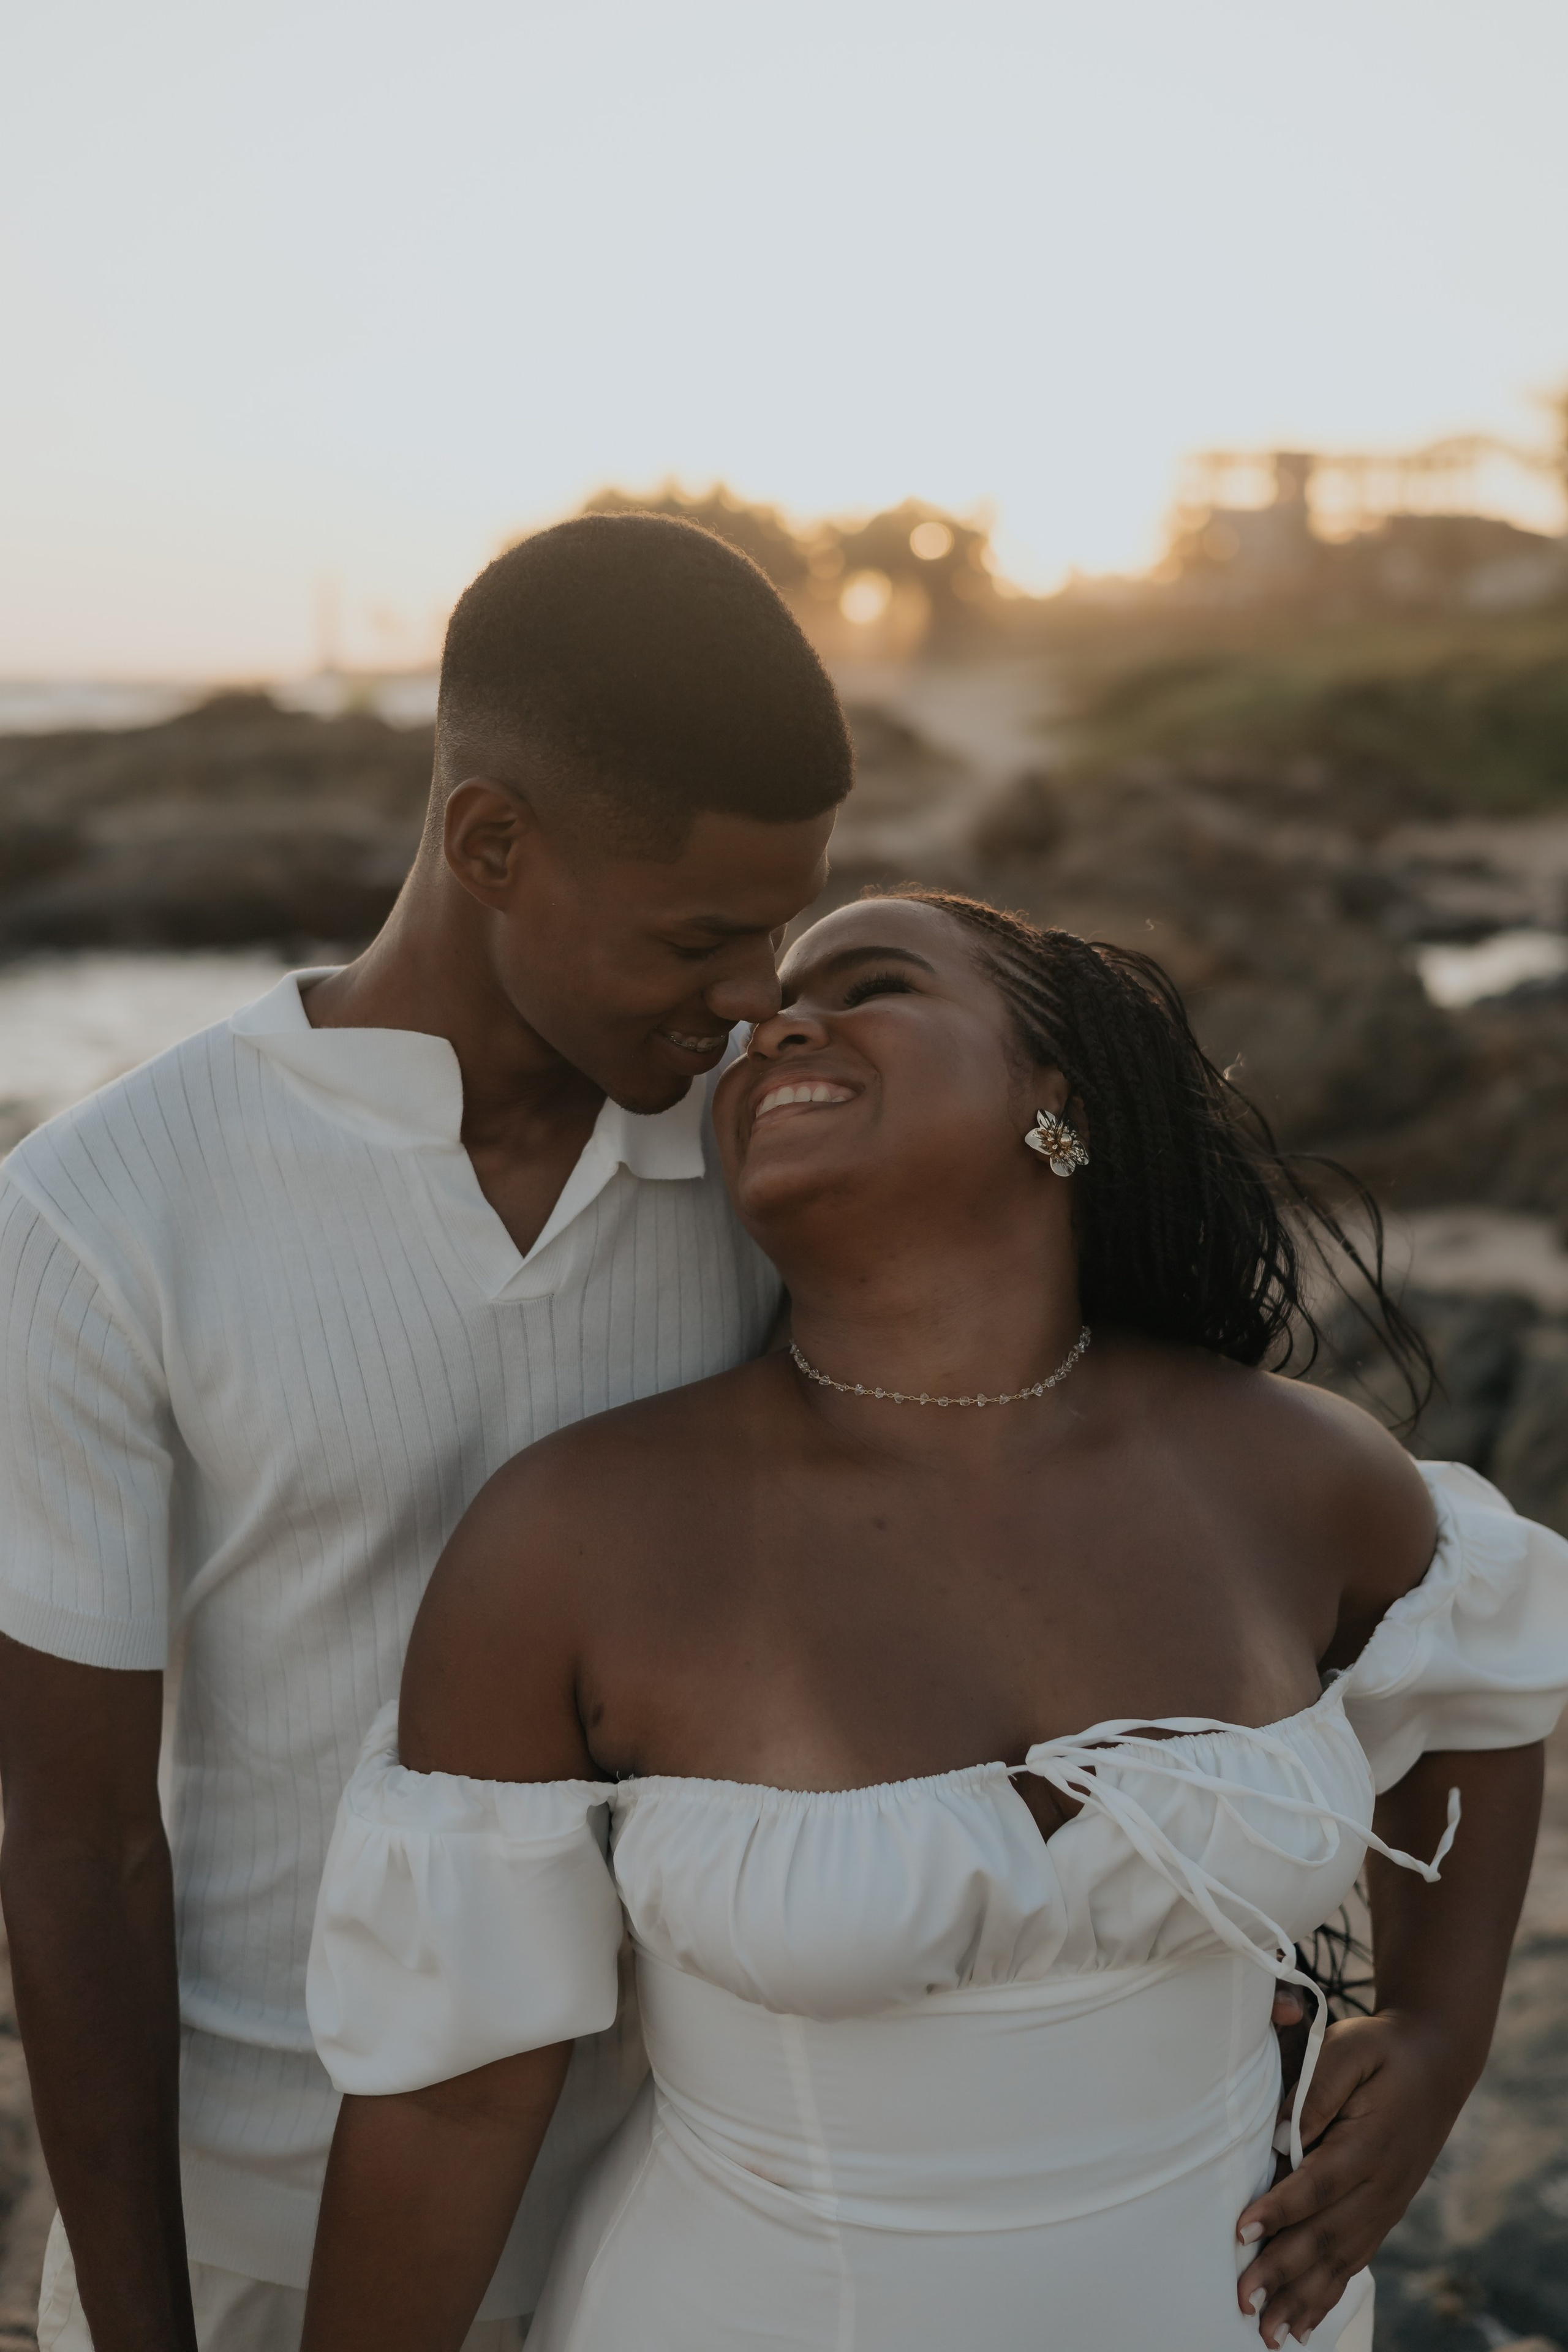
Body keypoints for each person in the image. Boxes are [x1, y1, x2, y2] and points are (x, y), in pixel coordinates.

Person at [303, 889, 1568, 2352]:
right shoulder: (573, 1534)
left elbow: (1481, 1691)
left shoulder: (1289, 1470)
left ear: (1056, 1102)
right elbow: (456, 2099)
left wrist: (1436, 2031)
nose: (776, 1024)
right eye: (765, 1010)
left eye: (873, 982)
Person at [0, 513, 854, 2352]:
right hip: (259, 2210)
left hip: (677, 2209)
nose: (756, 996)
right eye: (706, 934)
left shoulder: (753, 1173)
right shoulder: (102, 1211)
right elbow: (76, 1847)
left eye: (783, 929)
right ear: (488, 842)